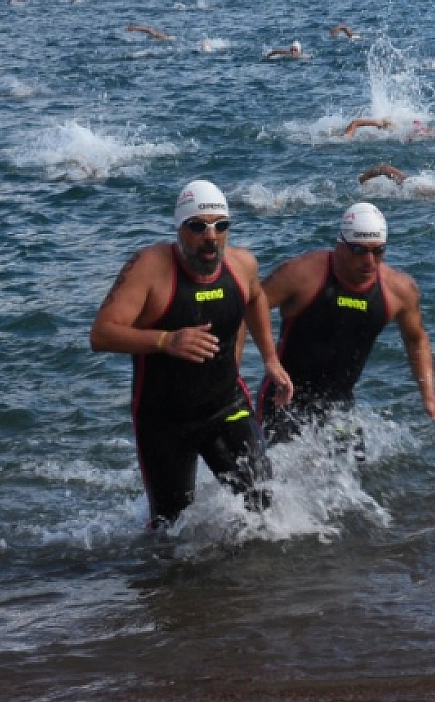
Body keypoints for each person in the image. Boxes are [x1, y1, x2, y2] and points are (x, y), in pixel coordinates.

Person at [89, 181, 293, 528]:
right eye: (198, 227)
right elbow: (101, 334)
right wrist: (166, 340)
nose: (211, 237)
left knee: (262, 502)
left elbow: (256, 298)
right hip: (164, 419)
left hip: (225, 405)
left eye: (220, 226)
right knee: (169, 527)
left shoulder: (242, 265)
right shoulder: (149, 268)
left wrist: (270, 360)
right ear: (179, 228)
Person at [259, 203, 435, 450]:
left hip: (339, 406)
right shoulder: (302, 275)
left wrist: (429, 397)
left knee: (351, 472)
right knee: (264, 471)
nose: (369, 261)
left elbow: (416, 339)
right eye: (359, 250)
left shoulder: (398, 290)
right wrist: (265, 360)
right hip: (281, 399)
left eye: (378, 251)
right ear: (340, 245)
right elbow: (249, 306)